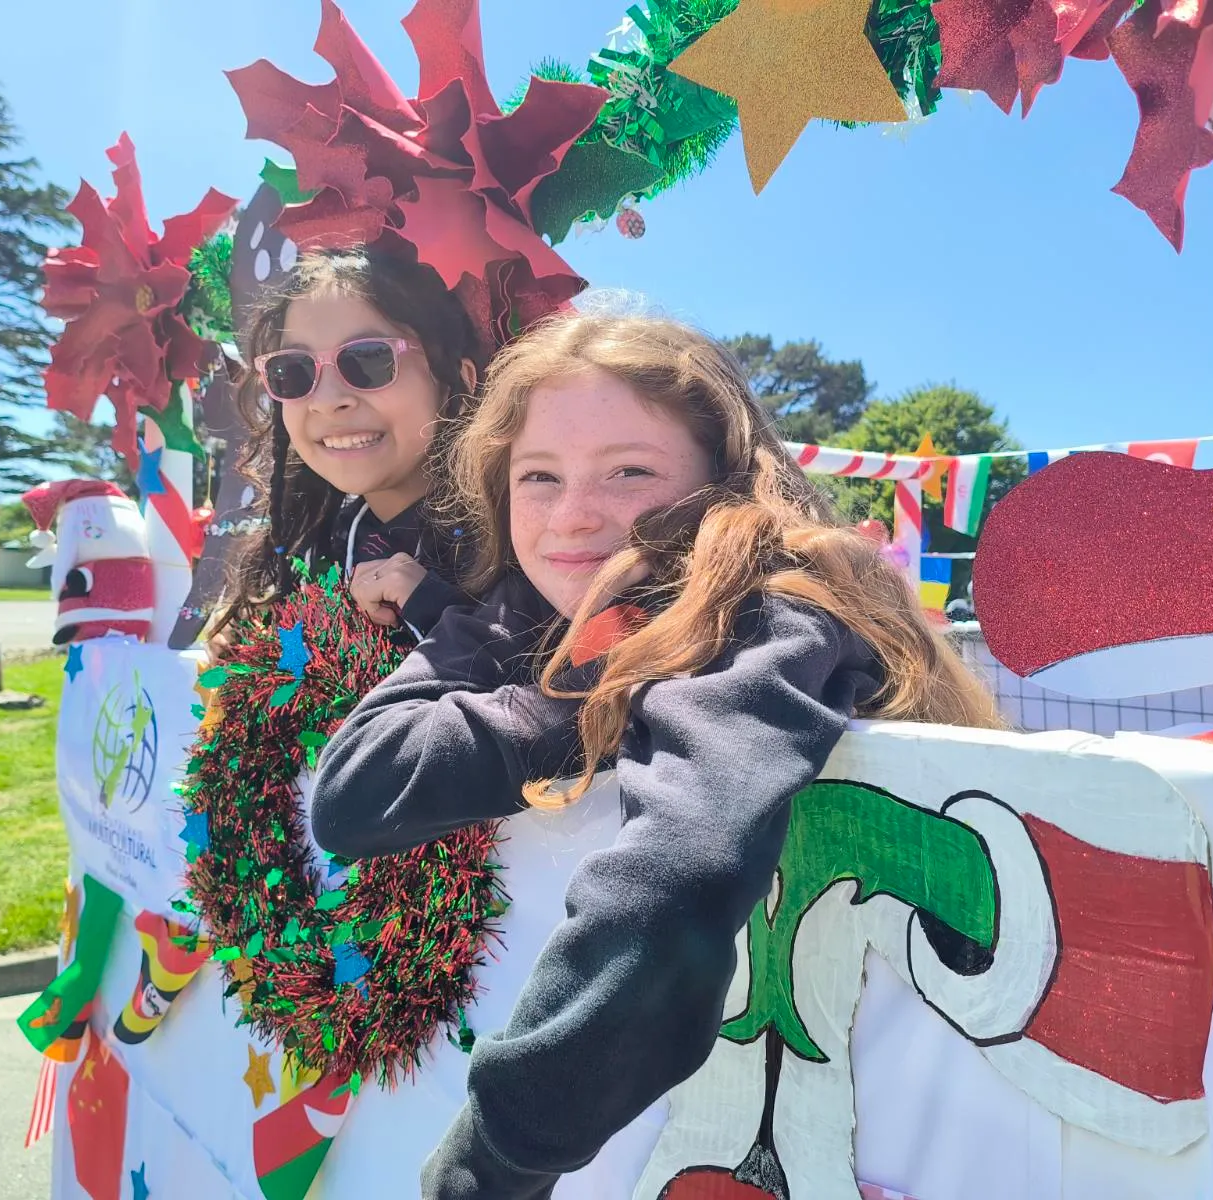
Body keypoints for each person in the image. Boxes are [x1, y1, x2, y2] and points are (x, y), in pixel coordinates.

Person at [310, 312, 1003, 1199]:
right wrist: (577, 682)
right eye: (538, 477)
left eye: (629, 471)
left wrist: (485, 1167)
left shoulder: (771, 611)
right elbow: (356, 791)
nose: (573, 515)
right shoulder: (540, 607)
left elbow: (669, 894)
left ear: (724, 479)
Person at [203, 247, 484, 655]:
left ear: (457, 380)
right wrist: (255, 663)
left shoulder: (523, 545)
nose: (326, 400)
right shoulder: (309, 557)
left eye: (368, 359)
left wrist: (435, 615)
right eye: (294, 371)